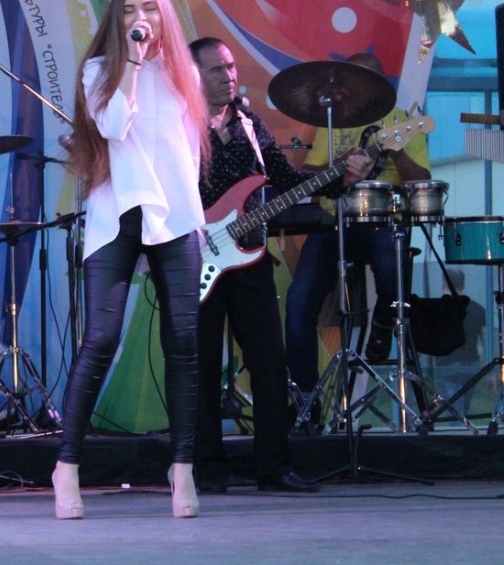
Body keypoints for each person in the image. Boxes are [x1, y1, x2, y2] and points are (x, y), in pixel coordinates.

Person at [54, 0, 208, 520]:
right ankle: (67, 466)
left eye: (149, 8)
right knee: (100, 338)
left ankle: (182, 467)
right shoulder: (100, 70)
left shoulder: (185, 72)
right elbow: (114, 126)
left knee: (183, 341)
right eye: (129, 10)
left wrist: (197, 219)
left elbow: (189, 153)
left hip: (176, 214)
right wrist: (134, 67)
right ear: (118, 20)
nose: (140, 18)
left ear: (164, 15)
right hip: (117, 209)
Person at [190, 37, 372, 493]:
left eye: (231, 67)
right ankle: (206, 469)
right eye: (216, 70)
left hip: (250, 256)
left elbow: (286, 180)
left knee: (270, 363)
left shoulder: (250, 124)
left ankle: (273, 466)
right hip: (197, 257)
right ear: (193, 76)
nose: (229, 76)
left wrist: (340, 177)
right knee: (201, 366)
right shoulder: (177, 126)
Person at [284, 53, 431, 404]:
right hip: (333, 223)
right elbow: (309, 177)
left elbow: (422, 181)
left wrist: (396, 152)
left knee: (392, 267)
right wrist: (341, 163)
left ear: (380, 84)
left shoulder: (402, 120)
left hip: (382, 222)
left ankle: (383, 323)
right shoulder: (331, 122)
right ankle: (305, 398)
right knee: (298, 304)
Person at [432, 268, 487, 419]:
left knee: (456, 415)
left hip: (446, 366)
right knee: (463, 413)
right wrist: (492, 374)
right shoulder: (478, 309)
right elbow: (486, 342)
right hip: (471, 367)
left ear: (444, 283)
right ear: (462, 285)